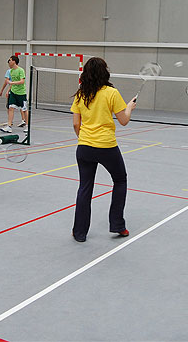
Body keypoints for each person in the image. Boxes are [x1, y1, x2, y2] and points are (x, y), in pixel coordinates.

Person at [70, 57, 137, 242]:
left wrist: (85, 140)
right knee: (120, 180)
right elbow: (123, 121)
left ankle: (79, 232)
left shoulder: (80, 94)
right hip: (106, 146)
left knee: (85, 188)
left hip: (84, 147)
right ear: (104, 72)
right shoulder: (111, 93)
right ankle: (117, 225)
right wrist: (129, 107)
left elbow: (76, 124)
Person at [0, 55, 29, 134]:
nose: (8, 62)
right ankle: (9, 126)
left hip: (21, 93)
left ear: (14, 61)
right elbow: (10, 83)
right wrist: (8, 90)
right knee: (11, 108)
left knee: (24, 109)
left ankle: (27, 125)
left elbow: (22, 81)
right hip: (13, 92)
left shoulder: (21, 70)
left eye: (10, 60)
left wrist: (12, 83)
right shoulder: (11, 71)